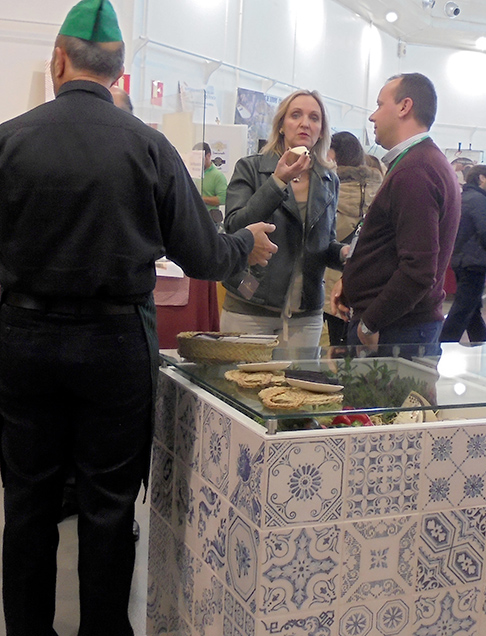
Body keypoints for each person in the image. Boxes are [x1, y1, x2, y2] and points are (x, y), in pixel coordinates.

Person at [0, 1, 277, 633]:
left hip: (24, 340)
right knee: (108, 504)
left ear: (58, 61)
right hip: (115, 345)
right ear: (122, 75)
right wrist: (247, 245)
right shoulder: (149, 147)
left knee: (28, 502)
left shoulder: (9, 141)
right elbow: (205, 255)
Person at [331, 72, 461, 356]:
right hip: (397, 325)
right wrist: (351, 283)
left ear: (404, 107)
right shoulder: (419, 162)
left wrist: (369, 323)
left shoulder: (416, 170)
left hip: (395, 330)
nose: (372, 117)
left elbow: (418, 269)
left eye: (379, 105)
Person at [221, 89, 347, 350]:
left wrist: (345, 254)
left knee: (296, 387)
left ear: (322, 130)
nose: (305, 123)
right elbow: (234, 227)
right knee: (239, 386)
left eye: (314, 118)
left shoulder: (328, 180)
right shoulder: (251, 168)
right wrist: (278, 182)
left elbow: (325, 243)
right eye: (296, 115)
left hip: (306, 313)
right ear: (281, 126)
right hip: (250, 304)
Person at [322, 131, 383, 346]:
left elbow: (325, 237)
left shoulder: (329, 187)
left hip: (332, 283)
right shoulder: (381, 185)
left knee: (332, 350)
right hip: (367, 282)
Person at [440, 164, 486, 343]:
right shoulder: (478, 199)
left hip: (462, 259)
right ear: (482, 178)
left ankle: (481, 344)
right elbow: (483, 229)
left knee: (472, 309)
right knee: (463, 309)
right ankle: (441, 346)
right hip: (473, 262)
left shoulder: (463, 197)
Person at [193, 141, 228, 225]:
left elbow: (223, 199)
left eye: (199, 158)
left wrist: (201, 199)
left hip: (209, 221)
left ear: (208, 156)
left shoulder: (218, 176)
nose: (197, 161)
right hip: (193, 217)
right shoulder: (192, 173)